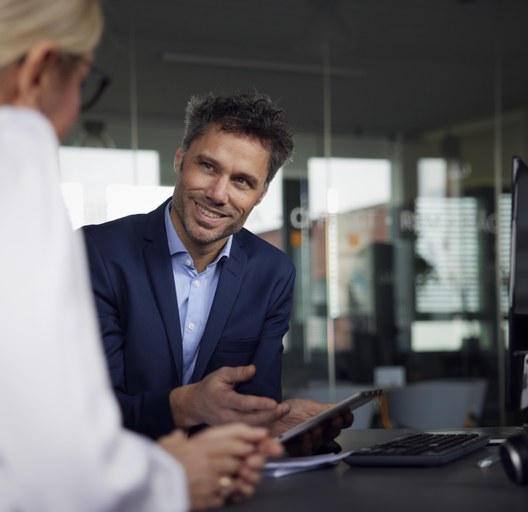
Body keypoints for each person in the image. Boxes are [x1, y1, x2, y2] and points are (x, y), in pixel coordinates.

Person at [0, 1, 282, 511]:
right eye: (84, 80)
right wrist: (171, 479)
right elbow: (55, 442)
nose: (220, 193)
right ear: (39, 69)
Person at [82, 91, 352, 452]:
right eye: (208, 166)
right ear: (180, 159)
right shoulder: (98, 254)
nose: (218, 194)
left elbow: (254, 406)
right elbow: (89, 413)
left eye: (242, 181)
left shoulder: (272, 274)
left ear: (261, 194)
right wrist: (188, 405)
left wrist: (276, 426)